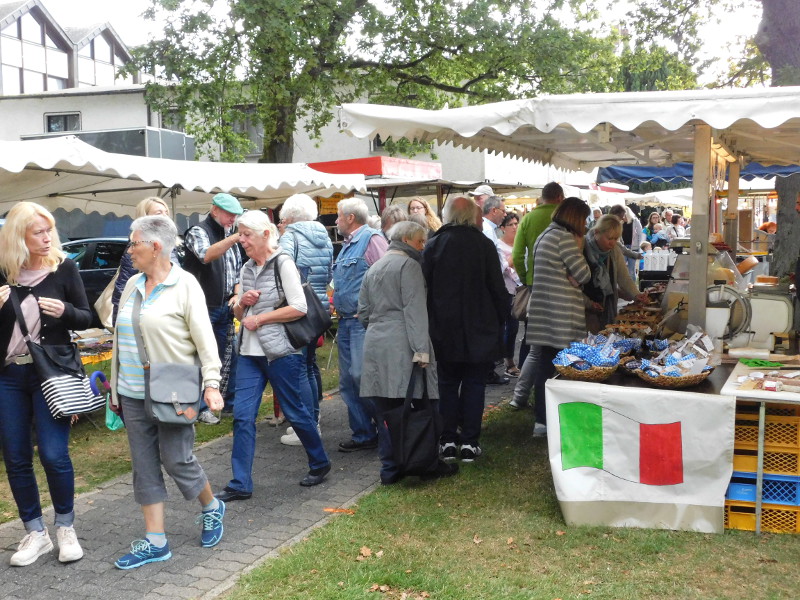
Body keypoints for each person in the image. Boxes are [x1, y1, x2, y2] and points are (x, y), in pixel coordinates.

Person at [111, 215, 225, 569]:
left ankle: (211, 506)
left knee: (177, 459)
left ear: (155, 246)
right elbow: (119, 337)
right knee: (144, 466)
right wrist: (115, 387)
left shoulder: (185, 284)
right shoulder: (131, 283)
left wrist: (212, 383)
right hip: (131, 390)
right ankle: (156, 541)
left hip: (173, 388)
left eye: (134, 244)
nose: (129, 251)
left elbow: (205, 340)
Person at [217, 211, 331, 502]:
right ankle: (240, 483)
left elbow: (299, 307)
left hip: (281, 353)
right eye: (240, 234)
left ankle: (319, 462)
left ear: (265, 234)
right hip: (249, 354)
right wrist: (241, 304)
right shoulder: (246, 268)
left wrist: (263, 317)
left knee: (295, 412)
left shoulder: (284, 263)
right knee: (242, 418)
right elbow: (241, 315)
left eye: (246, 235)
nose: (241, 240)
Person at [0, 202, 90, 567]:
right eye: (38, 231)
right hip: (8, 376)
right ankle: (36, 532)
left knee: (54, 454)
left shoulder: (63, 267)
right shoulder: (3, 272)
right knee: (17, 457)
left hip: (49, 375)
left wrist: (65, 312)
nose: (47, 237)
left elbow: (88, 317)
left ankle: (65, 528)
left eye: (48, 229)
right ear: (18, 236)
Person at [359, 221, 458, 484]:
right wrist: (421, 350)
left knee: (385, 412)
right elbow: (415, 311)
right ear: (405, 239)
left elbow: (363, 313)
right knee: (418, 406)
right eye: (420, 241)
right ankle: (422, 461)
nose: (423, 246)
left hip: (375, 345)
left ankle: (390, 469)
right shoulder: (409, 266)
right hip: (404, 345)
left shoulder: (374, 267)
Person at [423, 196, 508, 462]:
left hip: (443, 329)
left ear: (447, 215)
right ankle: (470, 441)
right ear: (473, 216)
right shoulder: (483, 245)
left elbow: (424, 288)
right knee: (474, 385)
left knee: (447, 384)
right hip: (480, 328)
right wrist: (502, 318)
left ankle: (447, 439)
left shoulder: (434, 244)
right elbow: (497, 288)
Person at [519, 197, 593, 437]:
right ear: (576, 218)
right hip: (561, 315)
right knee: (562, 369)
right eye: (584, 219)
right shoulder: (564, 238)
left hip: (544, 313)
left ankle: (542, 420)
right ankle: (553, 418)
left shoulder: (545, 235)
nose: (586, 224)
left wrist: (572, 277)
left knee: (545, 367)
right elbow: (583, 274)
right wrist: (574, 277)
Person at [276, 193, 334, 447]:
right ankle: (314, 422)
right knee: (310, 366)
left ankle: (308, 427)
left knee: (300, 368)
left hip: (299, 308)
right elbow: (328, 272)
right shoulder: (325, 237)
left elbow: (282, 269)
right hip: (319, 306)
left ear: (288, 218)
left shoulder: (290, 236)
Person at [332, 198, 388, 452]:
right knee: (347, 382)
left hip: (362, 323)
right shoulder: (347, 246)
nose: (335, 221)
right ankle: (364, 433)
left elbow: (385, 277)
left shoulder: (372, 240)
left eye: (338, 216)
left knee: (362, 377)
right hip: (345, 323)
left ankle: (388, 427)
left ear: (350, 218)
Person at [183, 193, 245, 421]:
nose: (233, 219)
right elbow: (205, 255)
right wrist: (234, 237)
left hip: (224, 306)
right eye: (229, 214)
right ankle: (200, 408)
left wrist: (237, 293)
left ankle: (227, 403)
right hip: (202, 307)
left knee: (227, 356)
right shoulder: (198, 232)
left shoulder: (229, 235)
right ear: (215, 210)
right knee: (201, 358)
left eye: (236, 216)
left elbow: (238, 270)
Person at [509, 181, 564, 410]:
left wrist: (525, 277)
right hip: (561, 288)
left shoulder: (529, 219)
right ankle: (553, 395)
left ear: (542, 197)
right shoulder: (563, 219)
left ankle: (519, 396)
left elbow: (517, 252)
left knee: (535, 347)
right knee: (556, 345)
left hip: (535, 285)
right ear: (560, 197)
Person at [112, 197, 172, 325]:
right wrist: (118, 326)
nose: (164, 216)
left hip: (168, 314)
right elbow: (121, 289)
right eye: (158, 213)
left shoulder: (173, 247)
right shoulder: (136, 249)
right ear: (145, 218)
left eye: (166, 212)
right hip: (143, 317)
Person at [583, 215, 647, 333]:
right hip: (583, 308)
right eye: (609, 238)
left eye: (616, 239)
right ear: (597, 233)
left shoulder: (614, 250)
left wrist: (636, 294)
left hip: (607, 304)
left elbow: (624, 277)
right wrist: (588, 303)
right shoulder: (582, 247)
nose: (612, 243)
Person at [496, 212, 522, 377]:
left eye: (516, 223)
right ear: (503, 228)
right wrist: (511, 260)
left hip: (521, 289)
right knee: (509, 326)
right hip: (506, 290)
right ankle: (508, 361)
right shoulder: (498, 245)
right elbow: (501, 268)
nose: (514, 227)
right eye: (511, 224)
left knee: (515, 327)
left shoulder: (521, 243)